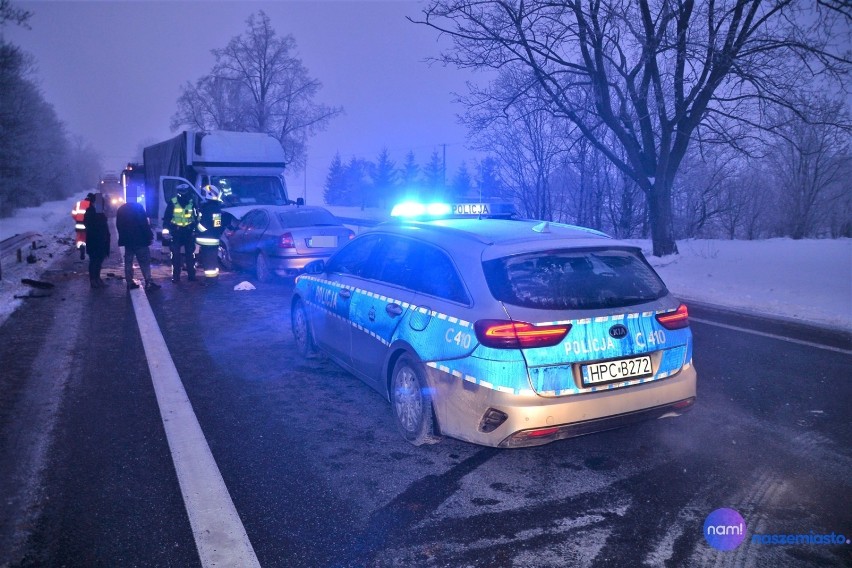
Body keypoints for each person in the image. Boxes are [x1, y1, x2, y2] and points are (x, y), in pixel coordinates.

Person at [116, 201, 161, 292]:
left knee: (128, 261)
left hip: (128, 240)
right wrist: (149, 236)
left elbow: (118, 225)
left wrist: (123, 237)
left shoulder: (121, 209)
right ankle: (148, 282)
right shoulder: (138, 208)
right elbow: (144, 224)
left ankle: (129, 282)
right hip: (140, 240)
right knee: (144, 261)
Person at [162, 183, 198, 283]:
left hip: (187, 232)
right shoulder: (173, 202)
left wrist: (195, 230)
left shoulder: (192, 202)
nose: (183, 194)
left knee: (189, 255)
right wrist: (166, 232)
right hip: (177, 232)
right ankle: (177, 277)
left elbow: (196, 217)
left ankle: (190, 275)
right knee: (176, 256)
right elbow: (167, 218)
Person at [195, 184, 224, 283]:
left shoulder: (207, 208)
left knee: (208, 262)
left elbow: (203, 225)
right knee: (213, 260)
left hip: (206, 240)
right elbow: (216, 225)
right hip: (214, 239)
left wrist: (196, 230)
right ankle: (214, 278)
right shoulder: (217, 208)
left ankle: (210, 280)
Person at [83, 193, 110, 288]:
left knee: (99, 261)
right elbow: (90, 226)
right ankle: (93, 280)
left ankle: (97, 278)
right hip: (94, 241)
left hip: (101, 241)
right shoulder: (90, 212)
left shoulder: (99, 213)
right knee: (94, 261)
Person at [71, 193, 95, 260]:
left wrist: (78, 219)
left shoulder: (79, 203)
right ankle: (87, 250)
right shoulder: (92, 205)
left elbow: (73, 214)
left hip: (79, 223)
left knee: (79, 237)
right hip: (88, 224)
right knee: (87, 237)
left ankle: (81, 247)